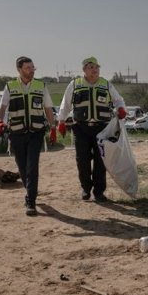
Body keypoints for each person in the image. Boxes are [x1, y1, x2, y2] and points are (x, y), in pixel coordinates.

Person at [56, 56, 126, 202]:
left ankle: (99, 192)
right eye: (91, 67)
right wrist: (61, 121)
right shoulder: (74, 84)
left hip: (102, 129)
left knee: (101, 162)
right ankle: (86, 189)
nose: (95, 70)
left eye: (97, 67)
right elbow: (65, 104)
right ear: (84, 70)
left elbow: (118, 100)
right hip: (81, 128)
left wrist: (121, 109)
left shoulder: (106, 85)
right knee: (83, 160)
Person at [0, 56, 57, 216]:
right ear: (19, 70)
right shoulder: (10, 86)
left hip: (36, 133)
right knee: (22, 167)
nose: (31, 70)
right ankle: (29, 190)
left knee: (32, 167)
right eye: (28, 68)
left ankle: (31, 201)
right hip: (16, 133)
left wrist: (53, 127)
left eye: (33, 67)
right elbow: (2, 107)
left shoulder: (41, 86)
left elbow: (48, 108)